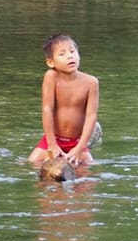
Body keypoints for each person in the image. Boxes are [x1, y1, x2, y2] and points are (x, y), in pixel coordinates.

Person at [27, 33, 99, 166]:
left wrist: (79, 149)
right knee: (32, 165)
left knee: (87, 173)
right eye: (62, 54)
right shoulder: (51, 77)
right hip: (52, 140)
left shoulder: (91, 82)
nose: (70, 56)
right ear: (50, 62)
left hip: (78, 142)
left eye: (72, 51)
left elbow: (91, 116)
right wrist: (51, 144)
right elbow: (47, 109)